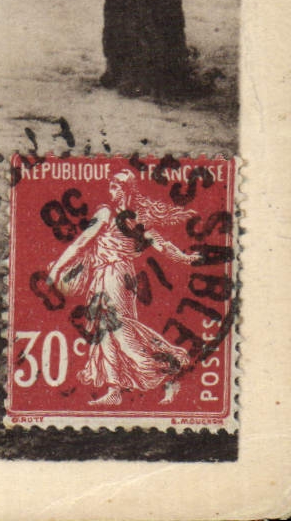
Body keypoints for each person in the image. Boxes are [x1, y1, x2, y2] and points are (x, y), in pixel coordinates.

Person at [46, 169, 194, 406]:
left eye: (116, 187)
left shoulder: (116, 215)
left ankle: (170, 370)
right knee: (104, 332)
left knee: (119, 331)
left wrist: (56, 270)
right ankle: (115, 390)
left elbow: (83, 242)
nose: (111, 191)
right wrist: (185, 258)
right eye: (111, 186)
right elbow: (161, 245)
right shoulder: (129, 217)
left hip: (115, 274)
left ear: (125, 190)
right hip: (105, 275)